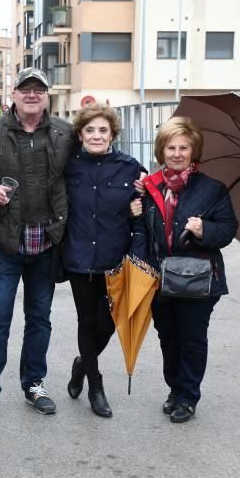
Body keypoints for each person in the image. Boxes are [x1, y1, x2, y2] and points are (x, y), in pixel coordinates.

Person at [0, 67, 76, 422]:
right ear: (13, 94)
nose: (32, 94)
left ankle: (34, 384)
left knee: (39, 318)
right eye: (25, 88)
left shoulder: (64, 133)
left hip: (46, 243)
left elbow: (89, 171)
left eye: (38, 89)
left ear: (47, 95)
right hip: (4, 244)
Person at [130, 117, 238, 424]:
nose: (177, 153)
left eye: (183, 148)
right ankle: (175, 388)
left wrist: (205, 230)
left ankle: (188, 396)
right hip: (159, 278)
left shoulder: (213, 190)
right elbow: (141, 232)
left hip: (198, 279)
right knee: (168, 337)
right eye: (170, 147)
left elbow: (229, 229)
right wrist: (135, 216)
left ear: (193, 151)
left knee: (192, 338)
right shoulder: (150, 188)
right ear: (161, 150)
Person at [61, 103, 144, 418]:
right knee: (86, 321)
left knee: (109, 323)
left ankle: (83, 363)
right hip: (79, 257)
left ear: (113, 134)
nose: (96, 135)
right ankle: (96, 385)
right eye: (90, 130)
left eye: (103, 130)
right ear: (81, 134)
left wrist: (140, 208)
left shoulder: (131, 168)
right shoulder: (67, 166)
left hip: (115, 258)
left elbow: (142, 212)